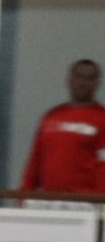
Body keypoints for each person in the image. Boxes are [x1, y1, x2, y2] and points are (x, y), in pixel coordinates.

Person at [20, 59, 105, 195]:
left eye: (89, 78)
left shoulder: (101, 118)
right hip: (48, 199)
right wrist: (24, 193)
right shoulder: (51, 117)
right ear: (69, 80)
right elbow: (36, 158)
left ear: (97, 83)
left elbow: (103, 164)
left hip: (85, 201)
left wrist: (101, 200)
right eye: (79, 77)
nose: (83, 83)